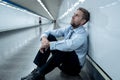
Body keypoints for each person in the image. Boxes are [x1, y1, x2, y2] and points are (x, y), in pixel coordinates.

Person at [21, 7, 90, 80]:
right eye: (74, 14)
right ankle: (37, 70)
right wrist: (44, 39)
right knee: (50, 37)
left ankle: (39, 74)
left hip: (73, 69)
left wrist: (49, 44)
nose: (73, 16)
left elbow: (68, 45)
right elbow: (50, 32)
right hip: (63, 64)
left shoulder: (81, 35)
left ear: (83, 21)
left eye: (77, 15)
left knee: (64, 48)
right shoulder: (70, 28)